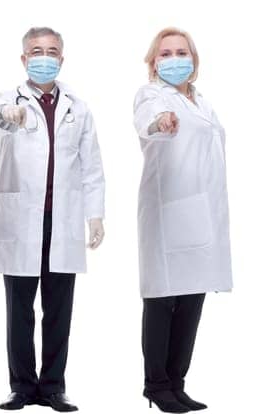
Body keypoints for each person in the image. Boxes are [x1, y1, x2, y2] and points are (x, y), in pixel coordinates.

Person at [0, 27, 104, 413]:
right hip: (20, 222)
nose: (44, 57)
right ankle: (21, 387)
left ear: (62, 59)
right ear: (23, 59)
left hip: (61, 221)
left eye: (51, 51)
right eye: (36, 51)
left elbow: (91, 166)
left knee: (58, 310)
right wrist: (8, 115)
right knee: (19, 310)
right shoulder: (7, 99)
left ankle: (53, 387)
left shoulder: (77, 108)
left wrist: (95, 215)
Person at [132, 27, 231, 414]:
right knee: (162, 300)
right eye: (165, 54)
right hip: (168, 211)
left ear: (194, 60)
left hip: (203, 215)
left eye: (181, 52)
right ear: (154, 62)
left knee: (192, 300)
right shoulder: (152, 96)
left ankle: (177, 383)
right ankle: (156, 385)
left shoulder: (203, 103)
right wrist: (161, 123)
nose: (174, 60)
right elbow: (149, 121)